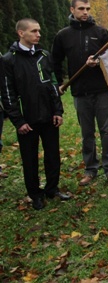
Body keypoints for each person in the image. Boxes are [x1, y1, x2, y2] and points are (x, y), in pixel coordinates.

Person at [1, 19, 69, 210]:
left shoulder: (44, 55)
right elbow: (8, 93)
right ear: (21, 33)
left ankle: (52, 188)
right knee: (29, 158)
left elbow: (53, 84)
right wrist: (18, 120)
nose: (38, 34)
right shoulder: (9, 60)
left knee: (53, 155)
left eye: (39, 30)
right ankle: (35, 194)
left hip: (49, 116)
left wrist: (57, 110)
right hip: (27, 120)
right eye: (34, 31)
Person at [51, 0, 108, 185]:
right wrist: (57, 83)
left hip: (102, 90)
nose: (85, 12)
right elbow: (55, 62)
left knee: (107, 131)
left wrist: (100, 62)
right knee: (87, 133)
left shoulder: (100, 32)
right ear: (72, 10)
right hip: (80, 92)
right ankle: (90, 169)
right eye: (81, 9)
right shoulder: (63, 35)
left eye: (88, 8)